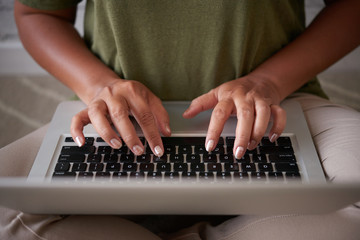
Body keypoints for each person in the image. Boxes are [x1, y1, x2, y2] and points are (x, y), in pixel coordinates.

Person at [0, 0, 359, 239]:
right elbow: (37, 12)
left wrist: (267, 82)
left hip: (277, 104)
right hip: (112, 115)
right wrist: (100, 85)